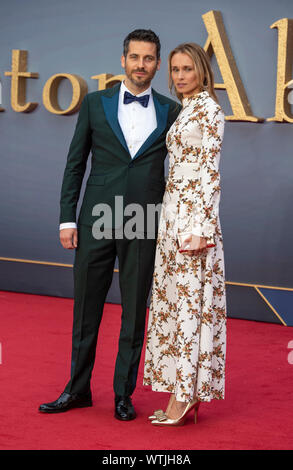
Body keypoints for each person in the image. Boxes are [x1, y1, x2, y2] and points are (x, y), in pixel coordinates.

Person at [38, 29, 180, 420]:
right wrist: (68, 218)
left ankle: (123, 394)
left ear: (157, 63)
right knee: (86, 307)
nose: (140, 65)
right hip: (97, 216)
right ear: (123, 60)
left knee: (135, 311)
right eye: (134, 57)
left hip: (145, 219)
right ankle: (78, 390)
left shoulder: (172, 110)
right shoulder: (95, 103)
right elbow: (75, 163)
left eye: (148, 58)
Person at [143, 42, 226, 426]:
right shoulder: (188, 108)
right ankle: (183, 390)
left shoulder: (209, 110)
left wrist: (200, 230)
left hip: (194, 224)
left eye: (187, 69)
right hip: (173, 217)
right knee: (176, 307)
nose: (179, 76)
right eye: (174, 69)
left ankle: (184, 395)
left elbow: (210, 174)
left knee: (191, 308)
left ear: (202, 71)